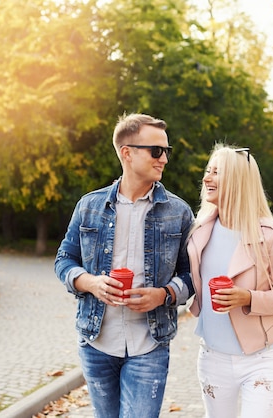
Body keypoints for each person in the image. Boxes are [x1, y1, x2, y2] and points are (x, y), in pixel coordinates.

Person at [54, 113, 194, 418]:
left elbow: (192, 274)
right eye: (156, 151)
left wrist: (164, 294)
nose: (164, 160)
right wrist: (90, 282)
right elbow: (64, 260)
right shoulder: (89, 206)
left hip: (150, 344)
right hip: (96, 341)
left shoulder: (179, 212)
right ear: (126, 153)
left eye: (166, 152)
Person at [186, 144, 273, 418]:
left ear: (238, 180)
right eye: (208, 171)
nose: (207, 178)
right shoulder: (199, 230)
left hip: (263, 359)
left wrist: (247, 298)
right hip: (213, 357)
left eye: (217, 172)